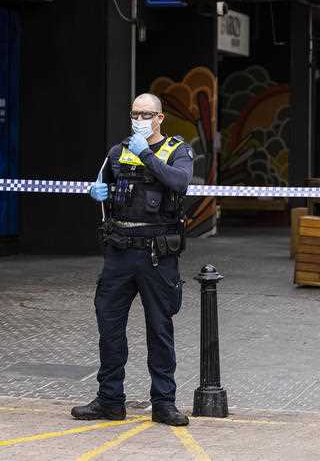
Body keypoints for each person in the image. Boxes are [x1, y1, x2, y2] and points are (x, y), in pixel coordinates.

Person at [72, 93, 194, 426]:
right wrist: (97, 191)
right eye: (135, 113)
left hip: (157, 255)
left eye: (146, 114)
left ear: (160, 118)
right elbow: (104, 187)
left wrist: (147, 156)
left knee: (160, 329)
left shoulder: (177, 151)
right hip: (119, 252)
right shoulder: (117, 151)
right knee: (109, 327)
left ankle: (164, 403)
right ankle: (110, 401)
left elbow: (180, 182)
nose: (139, 119)